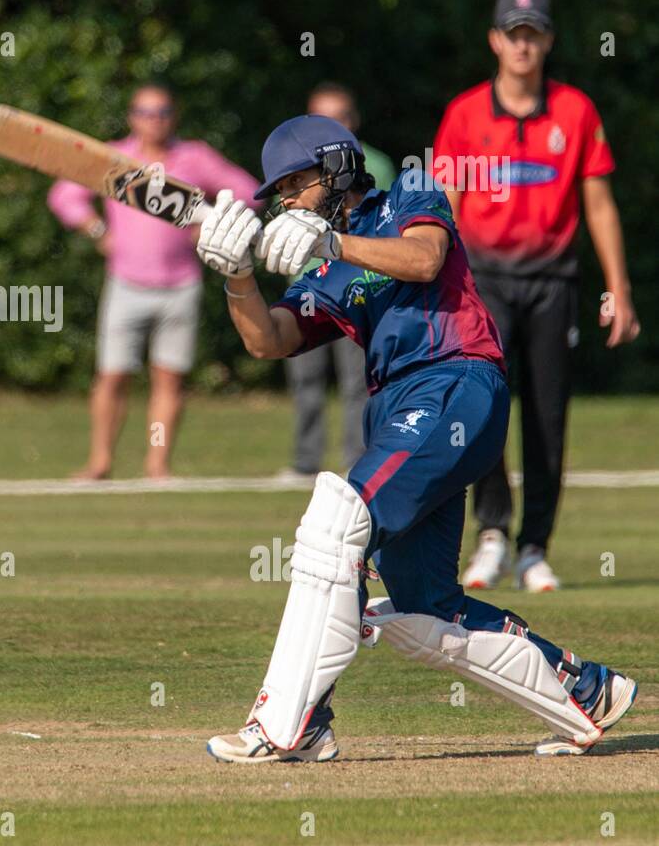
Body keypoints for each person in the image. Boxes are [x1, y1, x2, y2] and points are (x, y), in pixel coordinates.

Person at [193, 114, 635, 763]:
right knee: (422, 610)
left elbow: (425, 257)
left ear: (336, 167)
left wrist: (331, 244)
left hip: (456, 380)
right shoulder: (322, 269)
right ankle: (586, 687)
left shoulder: (408, 193)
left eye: (295, 183)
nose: (285, 200)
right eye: (278, 192)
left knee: (335, 522)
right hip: (398, 405)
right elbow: (270, 338)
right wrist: (236, 276)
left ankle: (289, 723)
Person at [433, 0, 640, 592]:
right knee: (484, 409)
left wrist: (619, 289)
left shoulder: (575, 111)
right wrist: (433, 281)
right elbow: (445, 205)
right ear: (496, 40)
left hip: (553, 282)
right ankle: (492, 534)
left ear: (547, 41)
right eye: (513, 33)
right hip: (483, 283)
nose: (523, 44)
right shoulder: (465, 114)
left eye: (534, 33)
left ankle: (535, 547)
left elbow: (599, 206)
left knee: (548, 417)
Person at [47, 85, 260, 478]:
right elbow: (63, 195)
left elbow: (250, 193)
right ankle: (100, 462)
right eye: (145, 112)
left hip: (180, 284)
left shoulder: (194, 157)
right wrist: (96, 230)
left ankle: (157, 465)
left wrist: (211, 223)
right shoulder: (116, 160)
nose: (154, 120)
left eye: (162, 111)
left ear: (173, 116)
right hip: (125, 282)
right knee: (112, 375)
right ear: (131, 117)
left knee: (168, 379)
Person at [280, 82, 398, 481]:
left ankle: (356, 459)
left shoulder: (375, 164)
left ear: (353, 120)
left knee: (358, 382)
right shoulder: (297, 171)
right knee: (305, 380)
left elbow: (384, 229)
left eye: (338, 117)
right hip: (309, 288)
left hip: (360, 290)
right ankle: (305, 462)